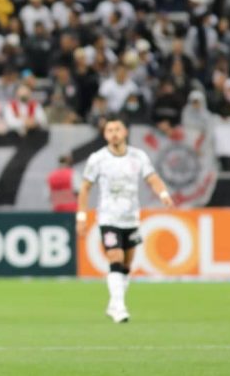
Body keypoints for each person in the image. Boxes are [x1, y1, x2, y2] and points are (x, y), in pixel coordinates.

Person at [76, 115, 175, 323]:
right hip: (108, 218)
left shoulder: (138, 156)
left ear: (125, 132)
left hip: (131, 218)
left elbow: (152, 178)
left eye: (117, 129)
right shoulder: (98, 159)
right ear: (105, 135)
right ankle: (120, 308)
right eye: (109, 130)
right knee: (115, 258)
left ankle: (114, 303)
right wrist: (82, 216)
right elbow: (85, 188)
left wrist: (164, 195)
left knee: (127, 265)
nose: (114, 134)